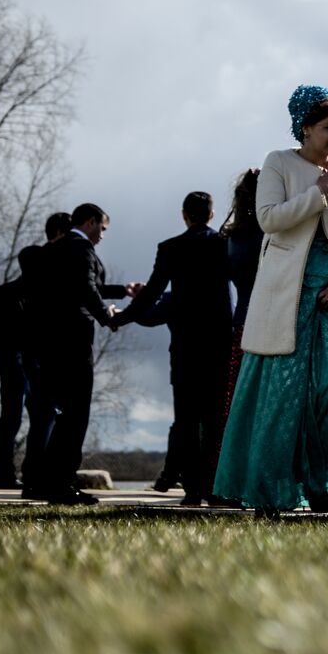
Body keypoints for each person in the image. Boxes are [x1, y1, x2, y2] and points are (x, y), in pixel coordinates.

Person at [213, 85, 328, 513]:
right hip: (285, 297)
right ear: (306, 127)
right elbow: (269, 220)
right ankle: (273, 492)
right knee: (284, 393)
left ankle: (326, 482)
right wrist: (317, 194)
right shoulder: (278, 163)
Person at [114, 191, 233, 505]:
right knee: (216, 419)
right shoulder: (223, 244)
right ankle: (215, 486)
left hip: (184, 347)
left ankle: (193, 490)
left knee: (186, 420)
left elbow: (151, 292)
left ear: (184, 215)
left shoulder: (170, 249)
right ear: (210, 214)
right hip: (219, 344)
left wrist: (121, 318)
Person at [26, 203, 134, 504]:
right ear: (90, 222)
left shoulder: (53, 249)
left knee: (57, 413)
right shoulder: (81, 248)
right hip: (72, 341)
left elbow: (76, 287)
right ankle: (60, 483)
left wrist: (122, 291)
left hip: (47, 341)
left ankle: (44, 480)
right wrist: (107, 316)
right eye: (102, 228)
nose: (102, 235)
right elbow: (86, 288)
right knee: (75, 415)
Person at [0, 214, 70, 489]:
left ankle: (21, 473)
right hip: (19, 362)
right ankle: (15, 474)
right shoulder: (12, 293)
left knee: (31, 417)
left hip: (31, 362)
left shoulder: (15, 292)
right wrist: (13, 352)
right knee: (24, 417)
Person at [210, 168, 263, 492]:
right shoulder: (274, 232)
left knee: (238, 405)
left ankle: (231, 479)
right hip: (272, 321)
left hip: (241, 323)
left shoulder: (229, 237)